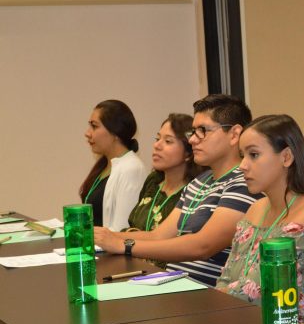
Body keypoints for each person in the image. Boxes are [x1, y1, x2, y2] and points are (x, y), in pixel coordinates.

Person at [94, 94, 258, 286]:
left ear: (234, 134)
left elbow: (202, 246)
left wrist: (123, 245)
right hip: (174, 286)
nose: (193, 141)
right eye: (193, 132)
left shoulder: (244, 183)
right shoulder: (200, 182)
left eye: (203, 131)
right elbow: (159, 235)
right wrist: (102, 236)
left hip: (207, 297)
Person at [217, 115, 304, 324]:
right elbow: (226, 279)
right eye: (242, 155)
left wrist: (208, 305)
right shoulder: (255, 209)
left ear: (286, 157)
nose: (242, 166)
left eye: (253, 155)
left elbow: (258, 292)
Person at [125, 113, 205, 231]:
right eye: (157, 139)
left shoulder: (195, 191)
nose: (157, 145)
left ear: (188, 153)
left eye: (168, 141)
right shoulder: (153, 180)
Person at [79, 99, 147, 230]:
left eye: (94, 126)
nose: (87, 133)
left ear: (115, 131)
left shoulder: (131, 168)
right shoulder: (105, 164)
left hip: (109, 249)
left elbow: (122, 229)